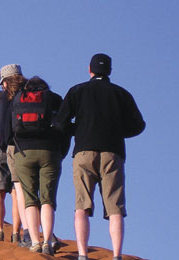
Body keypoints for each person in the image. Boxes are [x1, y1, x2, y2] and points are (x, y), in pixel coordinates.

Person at [54, 53, 145, 260]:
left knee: (82, 205)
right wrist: (118, 131)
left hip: (84, 151)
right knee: (115, 207)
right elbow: (139, 125)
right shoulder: (122, 94)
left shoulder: (78, 90)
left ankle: (83, 255)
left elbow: (60, 122)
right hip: (113, 152)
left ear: (90, 69)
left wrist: (77, 129)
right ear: (110, 71)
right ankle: (117, 255)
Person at [7, 76, 67, 256]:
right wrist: (60, 151)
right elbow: (63, 125)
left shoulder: (18, 98)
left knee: (30, 198)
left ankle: (34, 242)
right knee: (48, 199)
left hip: (24, 153)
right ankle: (47, 241)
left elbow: (10, 128)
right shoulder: (53, 98)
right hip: (49, 152)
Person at [0, 64, 23, 242]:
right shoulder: (25, 96)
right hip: (20, 145)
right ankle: (16, 233)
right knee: (17, 191)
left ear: (5, 82)